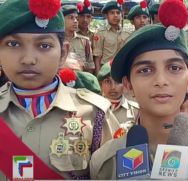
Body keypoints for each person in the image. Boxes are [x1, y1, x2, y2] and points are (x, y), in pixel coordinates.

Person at [89, 0, 188, 179]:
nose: (161, 81)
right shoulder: (104, 162)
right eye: (145, 70)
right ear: (128, 85)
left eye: (174, 68)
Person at [0, 0, 120, 179]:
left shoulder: (96, 114)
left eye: (44, 46)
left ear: (63, 53)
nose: (28, 59)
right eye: (13, 45)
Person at [93, 0, 130, 74]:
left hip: (122, 70)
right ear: (106, 16)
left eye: (118, 13)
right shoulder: (100, 33)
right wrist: (99, 76)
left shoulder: (127, 34)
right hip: (106, 71)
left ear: (121, 15)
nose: (115, 15)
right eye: (112, 13)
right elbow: (97, 58)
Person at [62, 5, 95, 73]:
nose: (75, 21)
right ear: (62, 20)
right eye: (71, 18)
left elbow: (90, 66)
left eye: (76, 18)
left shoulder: (85, 41)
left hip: (80, 79)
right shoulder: (56, 41)